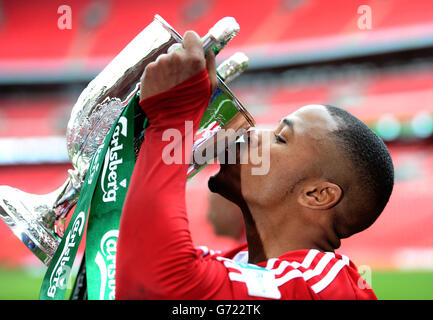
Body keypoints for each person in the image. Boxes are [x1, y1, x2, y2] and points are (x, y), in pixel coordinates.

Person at [115, 31, 394, 299]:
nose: (251, 132)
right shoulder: (236, 263)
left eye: (280, 138)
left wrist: (172, 118)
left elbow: (156, 285)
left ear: (317, 195)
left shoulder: (324, 286)